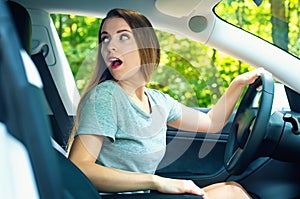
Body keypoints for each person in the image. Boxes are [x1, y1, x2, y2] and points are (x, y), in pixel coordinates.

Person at [68, 8, 259, 199]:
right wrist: (156, 181)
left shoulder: (158, 101)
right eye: (105, 38)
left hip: (140, 195)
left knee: (232, 186)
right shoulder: (106, 96)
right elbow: (80, 168)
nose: (110, 47)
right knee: (230, 193)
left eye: (123, 37)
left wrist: (238, 84)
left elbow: (211, 123)